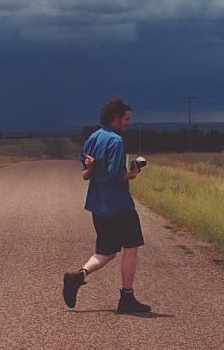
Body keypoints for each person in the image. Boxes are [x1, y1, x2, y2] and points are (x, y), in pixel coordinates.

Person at [62, 97, 151, 313]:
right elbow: (114, 176)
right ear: (116, 118)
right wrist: (131, 174)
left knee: (107, 250)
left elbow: (86, 174)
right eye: (126, 119)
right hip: (119, 204)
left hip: (98, 204)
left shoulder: (93, 138)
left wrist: (97, 168)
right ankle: (127, 298)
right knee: (131, 248)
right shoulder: (116, 141)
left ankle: (77, 277)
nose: (128, 123)